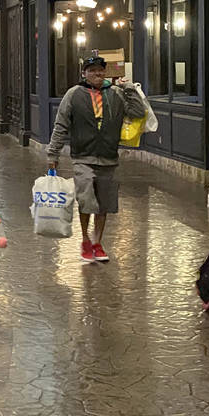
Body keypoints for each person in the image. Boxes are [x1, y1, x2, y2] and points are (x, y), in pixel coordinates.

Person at [47, 56, 148, 263]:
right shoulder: (74, 95)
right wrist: (52, 154)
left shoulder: (117, 94)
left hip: (108, 157)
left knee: (103, 203)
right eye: (92, 71)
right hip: (83, 156)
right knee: (86, 199)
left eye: (101, 71)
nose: (97, 74)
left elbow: (138, 112)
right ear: (84, 73)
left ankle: (97, 242)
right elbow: (61, 125)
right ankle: (85, 239)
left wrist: (129, 88)